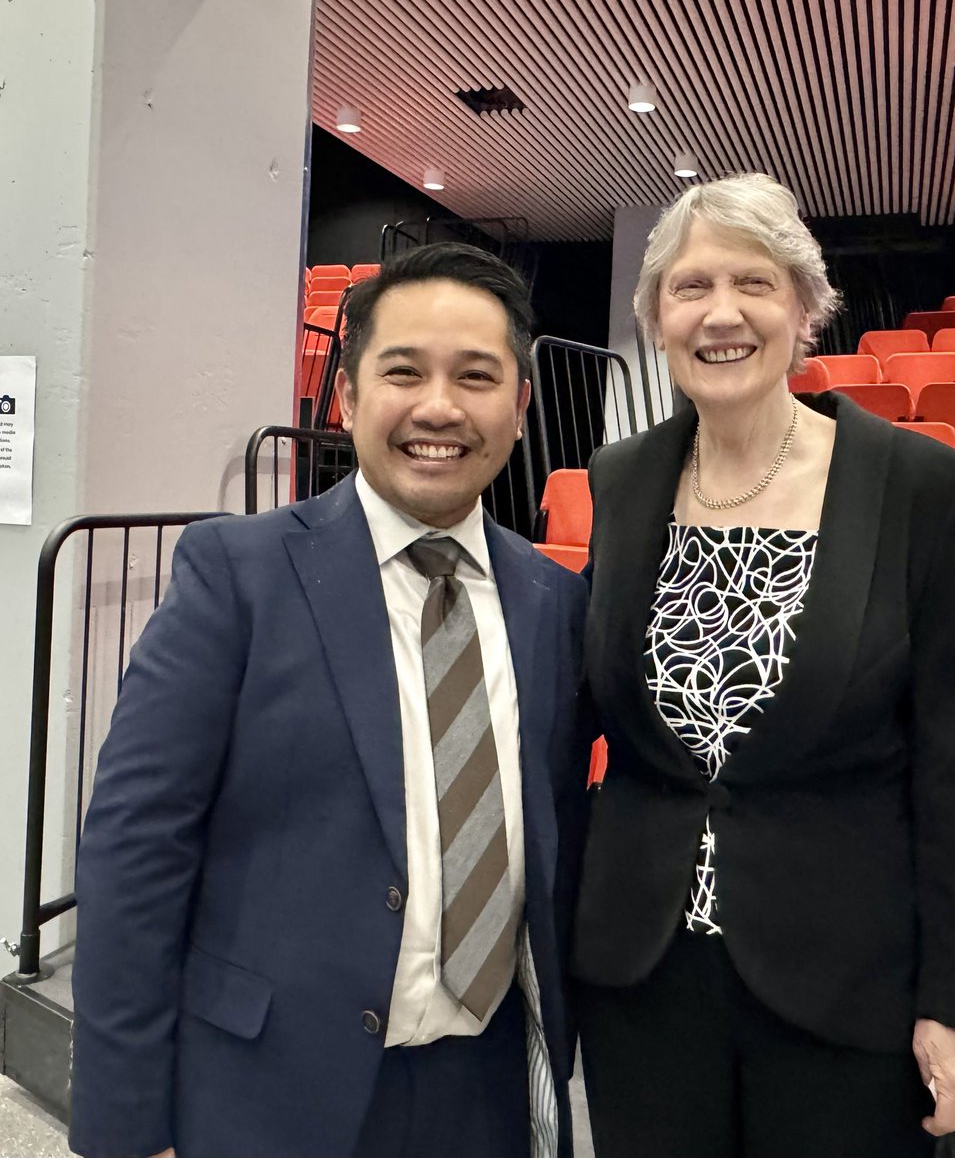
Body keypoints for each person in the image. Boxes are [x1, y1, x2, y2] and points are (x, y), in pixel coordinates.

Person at [70, 244, 590, 1158]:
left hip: (486, 1093)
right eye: (404, 373)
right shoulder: (239, 575)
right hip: (266, 1093)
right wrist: (126, 1126)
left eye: (476, 376)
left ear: (520, 406)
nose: (438, 407)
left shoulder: (553, 604)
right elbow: (135, 846)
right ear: (348, 397)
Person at [573, 174, 955, 1158]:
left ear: (804, 309)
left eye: (753, 284)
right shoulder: (624, 479)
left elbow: (954, 763)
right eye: (690, 289)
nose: (721, 313)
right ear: (656, 318)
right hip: (642, 974)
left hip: (843, 982)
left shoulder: (921, 487)